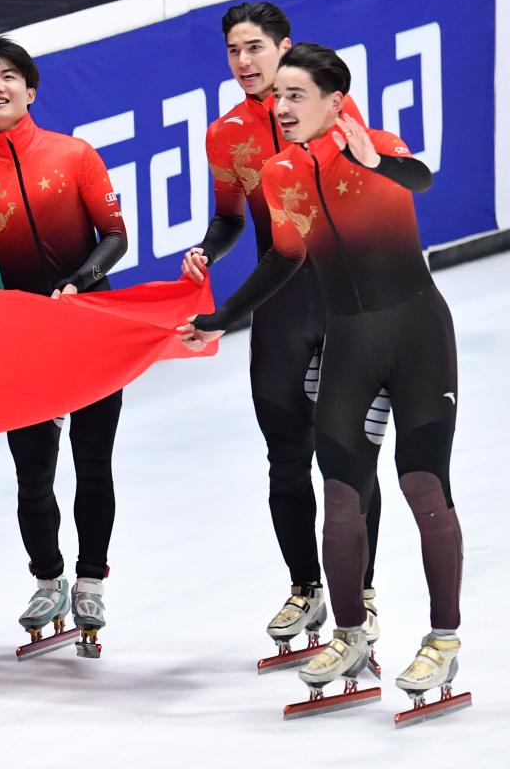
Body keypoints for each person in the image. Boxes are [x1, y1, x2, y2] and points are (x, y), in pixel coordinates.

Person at [180, 43, 464, 710]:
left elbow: (421, 179)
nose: (280, 106)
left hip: (419, 335)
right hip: (350, 343)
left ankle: (444, 639)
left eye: (295, 95)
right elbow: (284, 258)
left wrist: (376, 162)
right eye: (277, 95)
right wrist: (222, 319)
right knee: (340, 494)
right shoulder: (279, 173)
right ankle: (350, 634)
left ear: (335, 102)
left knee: (423, 484)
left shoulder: (377, 146)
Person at [181, 2, 386, 664]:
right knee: (286, 457)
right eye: (233, 50)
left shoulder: (332, 112)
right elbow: (230, 220)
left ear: (284, 47)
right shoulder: (225, 135)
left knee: (349, 459)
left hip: (344, 302)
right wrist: (207, 250)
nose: (243, 61)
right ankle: (306, 589)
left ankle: (363, 592)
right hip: (280, 308)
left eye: (255, 48)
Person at [0, 37, 127, 655]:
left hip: (90, 330)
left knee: (93, 461)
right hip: (23, 345)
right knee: (32, 473)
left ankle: (91, 579)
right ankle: (48, 578)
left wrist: (77, 283)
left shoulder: (75, 156)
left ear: (31, 90)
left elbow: (115, 236)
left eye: (8, 76)